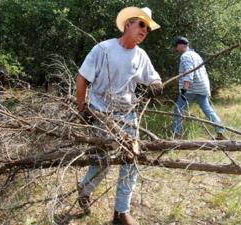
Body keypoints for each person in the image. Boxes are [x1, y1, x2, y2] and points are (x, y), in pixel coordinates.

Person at [75, 6, 163, 225]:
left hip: (127, 115)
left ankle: (121, 212)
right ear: (128, 24)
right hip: (102, 114)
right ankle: (84, 189)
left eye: (148, 28)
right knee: (101, 162)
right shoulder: (103, 49)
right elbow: (82, 78)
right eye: (141, 24)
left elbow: (153, 78)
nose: (145, 30)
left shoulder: (140, 55)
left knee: (131, 160)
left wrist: (156, 86)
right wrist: (82, 109)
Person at [172, 37, 226, 140]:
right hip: (202, 87)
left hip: (191, 89)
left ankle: (176, 134)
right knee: (208, 110)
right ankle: (220, 131)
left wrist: (184, 90)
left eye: (176, 47)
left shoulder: (185, 56)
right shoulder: (195, 55)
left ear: (181, 45)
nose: (176, 49)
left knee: (178, 110)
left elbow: (189, 72)